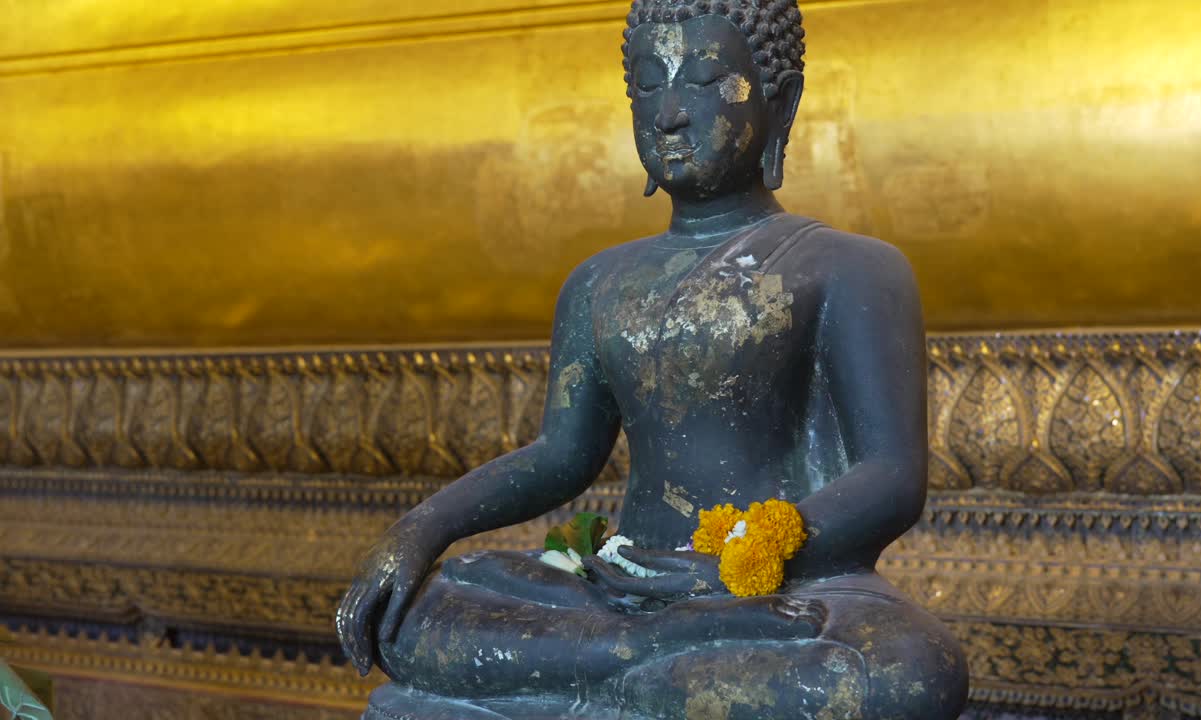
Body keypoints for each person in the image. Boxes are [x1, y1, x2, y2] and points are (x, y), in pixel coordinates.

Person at [338, 2, 968, 717]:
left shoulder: (849, 268)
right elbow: (561, 455)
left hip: (780, 596)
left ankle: (616, 672)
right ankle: (634, 665)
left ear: (780, 100)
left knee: (908, 669)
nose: (667, 113)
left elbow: (890, 476)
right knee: (428, 609)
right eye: (645, 85)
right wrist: (421, 528)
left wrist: (733, 567)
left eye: (702, 82)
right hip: (621, 590)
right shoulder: (599, 283)